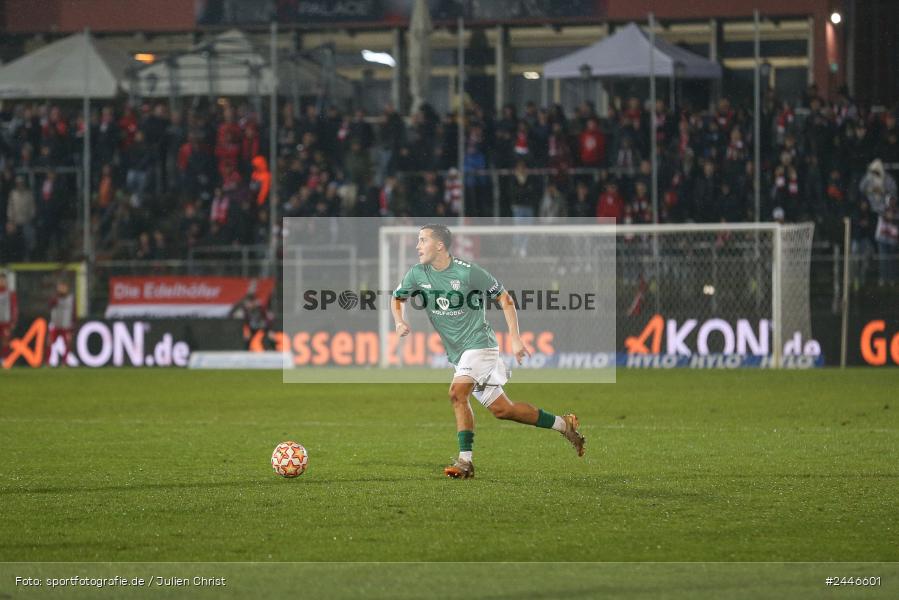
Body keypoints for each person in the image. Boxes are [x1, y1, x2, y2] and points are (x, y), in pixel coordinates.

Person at [391, 224, 585, 480]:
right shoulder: (417, 274)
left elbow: (505, 300)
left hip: (480, 346)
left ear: (439, 245)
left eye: (422, 240)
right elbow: (397, 297)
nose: (417, 246)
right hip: (460, 354)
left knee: (457, 394)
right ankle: (564, 424)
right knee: (504, 410)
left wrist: (515, 339)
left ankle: (465, 462)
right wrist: (399, 320)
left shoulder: (469, 273)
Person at [48, 280, 75, 366]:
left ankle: (65, 361)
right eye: (60, 287)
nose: (62, 289)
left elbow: (74, 312)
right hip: (55, 324)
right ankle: (48, 361)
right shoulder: (54, 298)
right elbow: (50, 305)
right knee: (49, 343)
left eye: (63, 287)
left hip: (66, 325)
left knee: (67, 344)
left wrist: (73, 324)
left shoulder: (71, 298)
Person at [0, 273, 18, 361]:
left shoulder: (10, 293)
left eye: (3, 280)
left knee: (5, 341)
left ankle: (5, 359)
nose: (1, 282)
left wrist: (13, 321)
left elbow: (14, 308)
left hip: (5, 322)